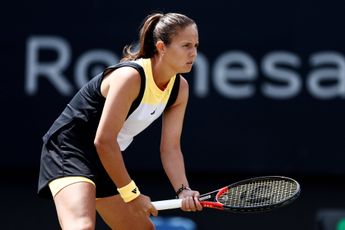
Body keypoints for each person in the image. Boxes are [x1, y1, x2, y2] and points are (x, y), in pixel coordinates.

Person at [37, 12, 202, 229]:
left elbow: (170, 148)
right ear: (162, 47)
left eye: (196, 45)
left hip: (104, 159)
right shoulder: (130, 77)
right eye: (186, 45)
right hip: (69, 150)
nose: (194, 53)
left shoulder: (180, 89)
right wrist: (132, 194)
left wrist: (183, 190)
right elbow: (104, 140)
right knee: (81, 226)